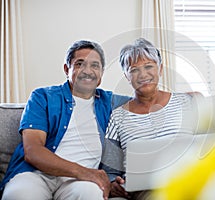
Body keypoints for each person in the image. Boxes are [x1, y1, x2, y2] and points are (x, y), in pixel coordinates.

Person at [0, 40, 130, 200]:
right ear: (67, 69)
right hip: (35, 174)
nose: (87, 71)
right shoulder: (43, 97)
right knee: (20, 195)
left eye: (95, 65)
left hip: (80, 182)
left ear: (101, 73)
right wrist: (87, 172)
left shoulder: (110, 102)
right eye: (80, 64)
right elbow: (33, 151)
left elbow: (146, 101)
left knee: (92, 194)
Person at [101, 38, 200, 199]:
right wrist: (113, 182)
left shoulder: (186, 102)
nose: (143, 75)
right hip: (146, 191)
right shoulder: (118, 116)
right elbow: (110, 168)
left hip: (187, 180)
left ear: (160, 69)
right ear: (126, 76)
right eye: (134, 70)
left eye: (149, 66)